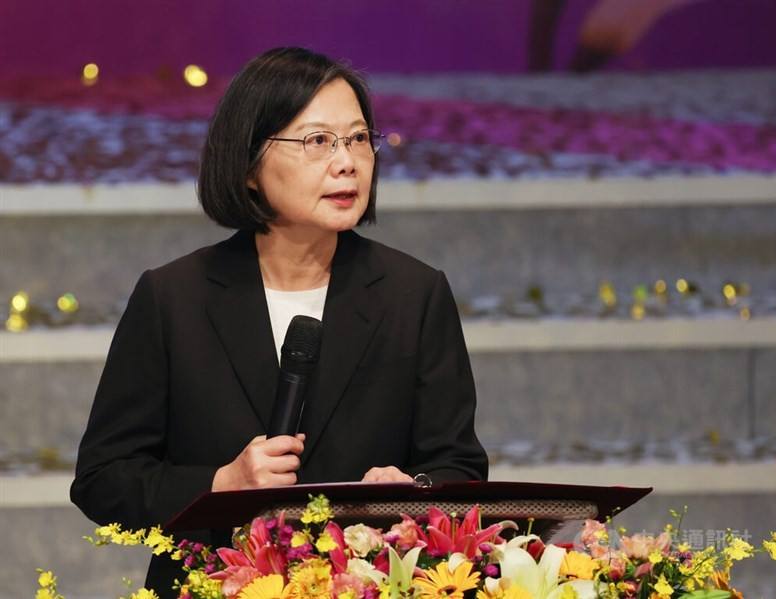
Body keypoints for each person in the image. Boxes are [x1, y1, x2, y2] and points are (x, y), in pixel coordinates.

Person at [71, 47, 487, 596]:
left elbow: (459, 465)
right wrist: (221, 484)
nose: (347, 162)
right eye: (318, 141)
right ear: (249, 166)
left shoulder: (414, 294)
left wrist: (411, 492)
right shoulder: (174, 298)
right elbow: (104, 480)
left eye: (359, 139)